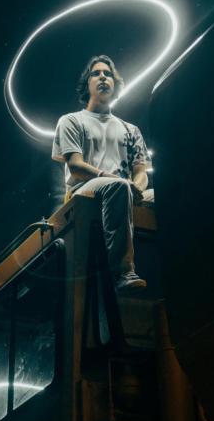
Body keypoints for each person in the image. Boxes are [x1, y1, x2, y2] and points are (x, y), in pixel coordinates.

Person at [51, 55, 154, 290]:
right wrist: (116, 180)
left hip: (123, 189)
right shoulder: (71, 120)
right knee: (118, 186)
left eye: (108, 73)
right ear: (87, 84)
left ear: (115, 84)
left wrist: (136, 186)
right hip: (83, 190)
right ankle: (123, 272)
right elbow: (75, 166)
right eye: (96, 73)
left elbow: (141, 170)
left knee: (162, 195)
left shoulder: (130, 129)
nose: (103, 77)